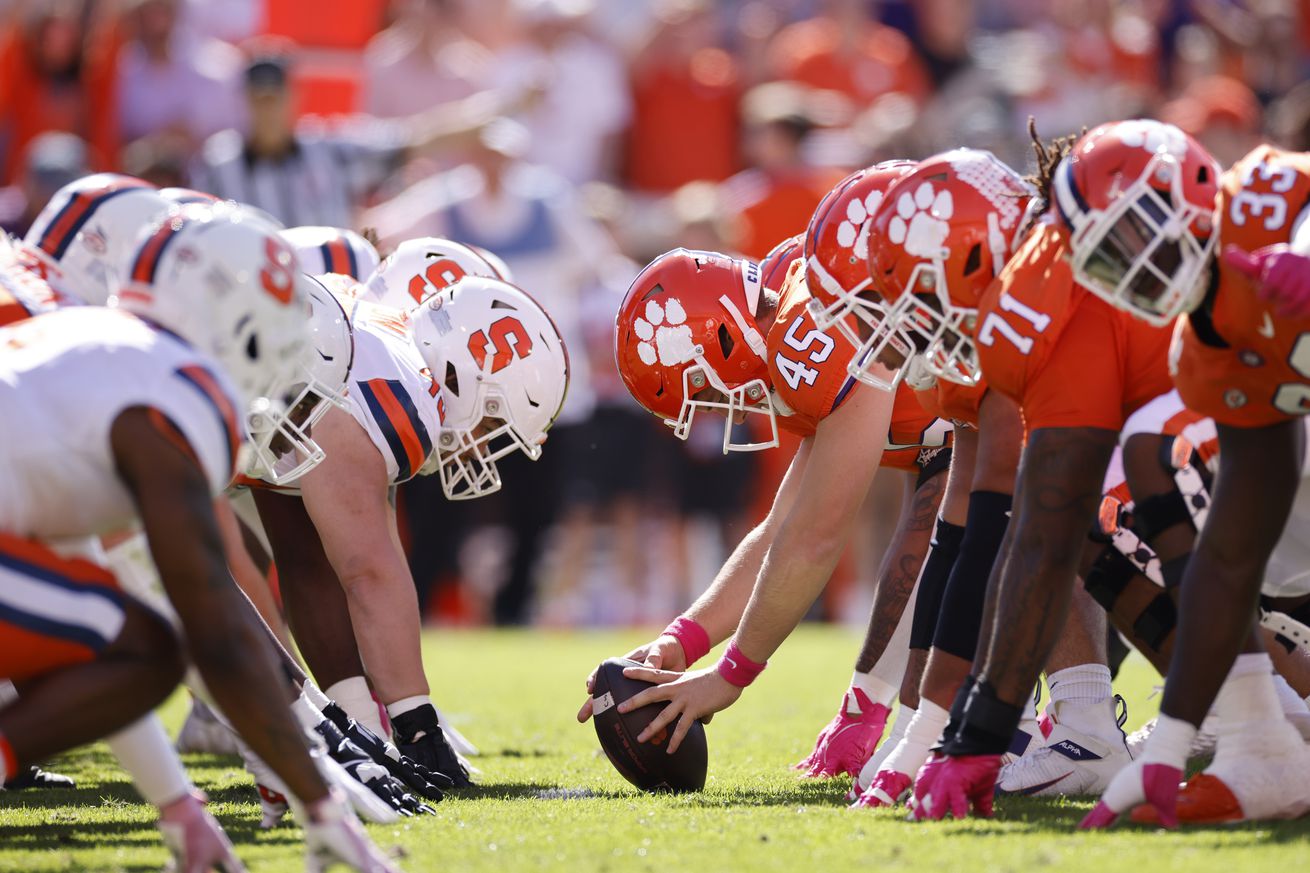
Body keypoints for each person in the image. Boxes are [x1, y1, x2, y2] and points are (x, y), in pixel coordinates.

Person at [0, 202, 398, 872]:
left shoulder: (90, 344)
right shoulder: (173, 387)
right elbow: (208, 624)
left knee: (126, 637)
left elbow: (111, 642)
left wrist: (179, 807)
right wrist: (317, 800)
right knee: (154, 645)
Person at [578, 210, 955, 756]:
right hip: (983, 428)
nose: (716, 409)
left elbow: (816, 537)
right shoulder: (784, 309)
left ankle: (1035, 723)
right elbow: (780, 530)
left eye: (704, 390)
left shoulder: (810, 334)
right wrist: (680, 641)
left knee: (964, 517)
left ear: (726, 333)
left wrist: (729, 676)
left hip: (1022, 408)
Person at [1046, 125, 1310, 827]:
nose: (1136, 266)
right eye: (1108, 258)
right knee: (1150, 446)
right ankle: (1260, 740)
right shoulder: (1204, 354)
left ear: (1185, 188)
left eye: (1134, 233)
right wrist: (1167, 745)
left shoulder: (1267, 193)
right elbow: (1229, 556)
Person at [249, 269, 568, 788]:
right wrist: (418, 729)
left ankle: (348, 729)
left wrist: (359, 725)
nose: (481, 449)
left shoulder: (384, 341)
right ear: (464, 378)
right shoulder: (403, 391)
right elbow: (367, 573)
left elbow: (303, 554)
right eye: (489, 426)